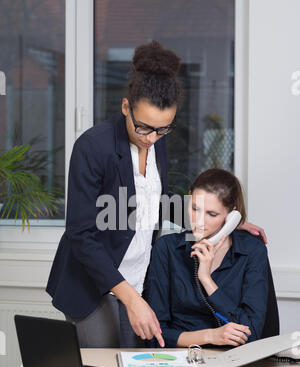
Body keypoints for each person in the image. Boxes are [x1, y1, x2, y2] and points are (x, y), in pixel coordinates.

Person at [46, 41, 267, 349]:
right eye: (144, 128)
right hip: (93, 285)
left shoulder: (155, 140)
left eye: (163, 129)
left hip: (139, 277)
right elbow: (80, 234)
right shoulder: (93, 147)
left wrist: (225, 223)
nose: (151, 138)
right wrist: (130, 299)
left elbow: (155, 205)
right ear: (125, 107)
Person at [144, 168, 269, 348]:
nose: (199, 221)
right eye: (195, 208)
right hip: (180, 361)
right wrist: (210, 336)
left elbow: (252, 333)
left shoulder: (252, 251)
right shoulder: (167, 249)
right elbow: (156, 336)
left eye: (212, 214)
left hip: (233, 364)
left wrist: (206, 280)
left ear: (232, 215)